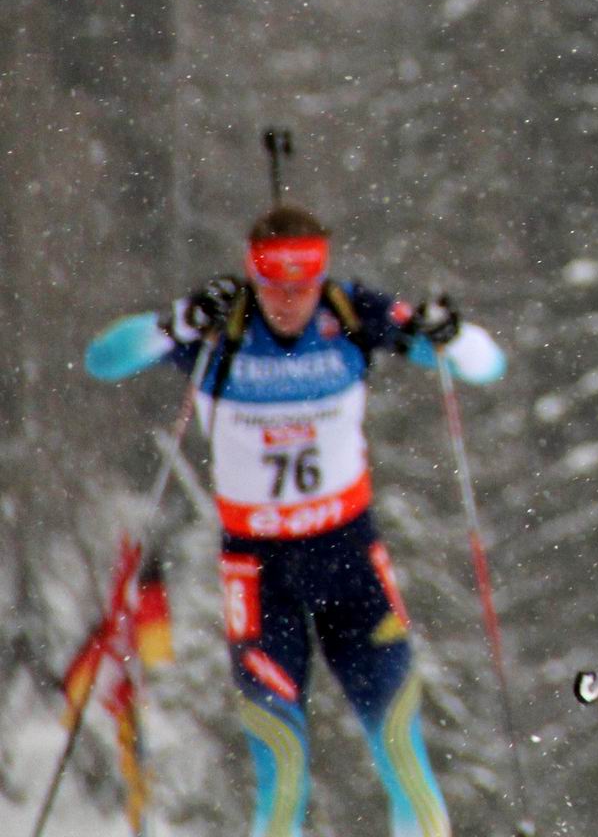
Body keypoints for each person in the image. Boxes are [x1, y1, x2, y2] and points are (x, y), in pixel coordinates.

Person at [85, 203, 506, 837]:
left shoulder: (350, 314)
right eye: (275, 286)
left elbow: (486, 365)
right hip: (260, 575)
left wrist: (452, 333)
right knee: (282, 775)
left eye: (303, 284)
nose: (290, 301)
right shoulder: (221, 326)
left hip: (349, 562)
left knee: (401, 752)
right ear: (254, 276)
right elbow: (102, 359)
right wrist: (171, 324)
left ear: (321, 276)